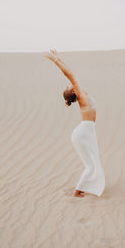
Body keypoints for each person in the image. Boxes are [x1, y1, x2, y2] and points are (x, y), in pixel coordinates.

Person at [43, 49, 106, 197]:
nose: (69, 85)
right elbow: (69, 74)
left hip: (87, 132)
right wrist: (55, 60)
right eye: (68, 87)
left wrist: (59, 57)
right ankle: (77, 192)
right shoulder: (82, 97)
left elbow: (70, 74)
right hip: (83, 133)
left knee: (94, 162)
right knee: (91, 165)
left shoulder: (82, 95)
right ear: (72, 92)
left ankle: (86, 188)